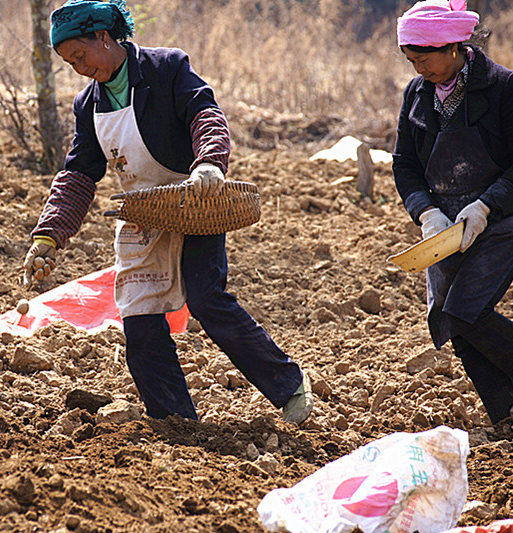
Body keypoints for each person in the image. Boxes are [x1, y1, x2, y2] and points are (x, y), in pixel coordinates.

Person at [22, 0, 313, 424]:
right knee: (139, 320)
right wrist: (48, 236)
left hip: (195, 202)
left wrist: (210, 163)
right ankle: (176, 420)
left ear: (104, 37)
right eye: (70, 63)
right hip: (141, 213)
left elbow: (204, 115)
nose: (79, 69)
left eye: (81, 56)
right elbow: (79, 174)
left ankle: (288, 387)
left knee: (206, 299)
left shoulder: (166, 68)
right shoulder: (89, 105)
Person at [393, 0, 513, 424]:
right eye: (411, 60)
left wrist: (487, 206)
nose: (419, 69)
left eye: (425, 59)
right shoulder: (417, 95)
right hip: (445, 223)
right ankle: (505, 413)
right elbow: (405, 164)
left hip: (503, 215)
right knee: (450, 318)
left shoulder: (506, 88)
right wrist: (426, 212)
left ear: (454, 47)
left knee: (466, 309)